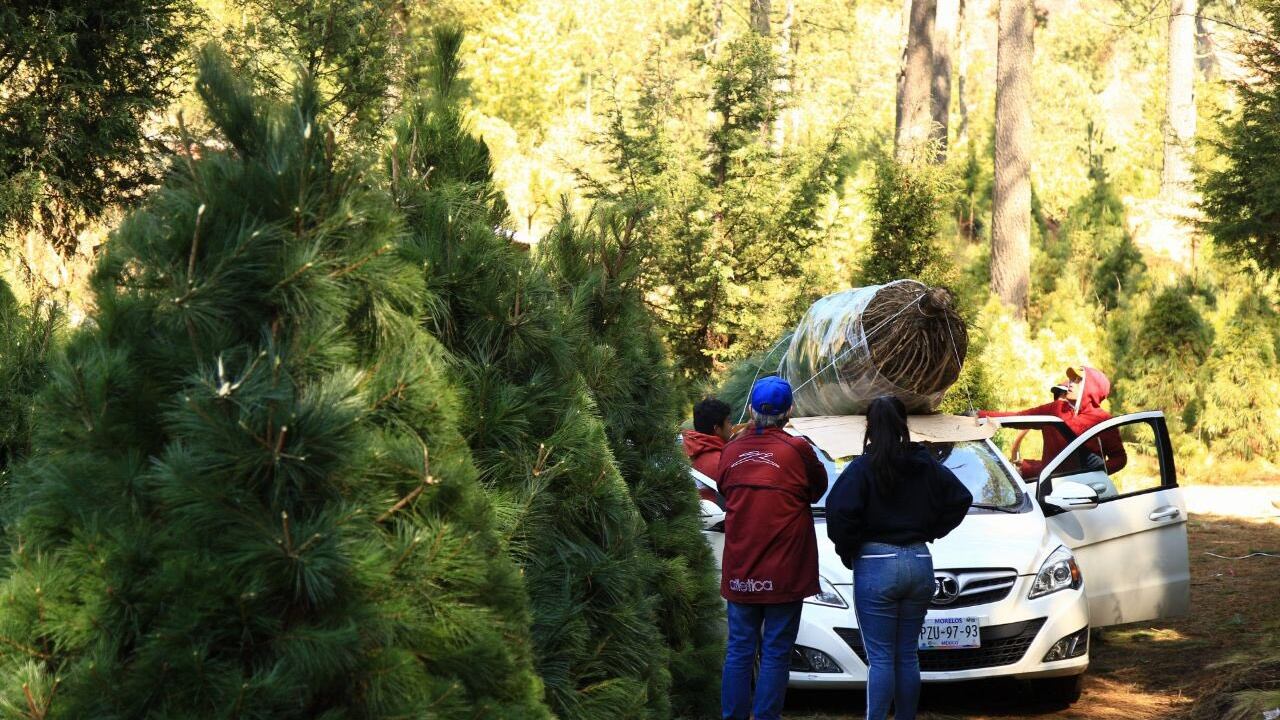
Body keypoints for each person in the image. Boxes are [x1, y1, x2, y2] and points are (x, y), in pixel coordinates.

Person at [824, 396, 973, 720]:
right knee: (907, 654)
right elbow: (961, 498)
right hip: (919, 560)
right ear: (904, 423)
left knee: (880, 658)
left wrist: (849, 550)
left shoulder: (862, 468)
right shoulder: (924, 463)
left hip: (876, 564)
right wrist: (931, 530)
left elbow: (838, 514)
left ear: (869, 426)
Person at [717, 376, 828, 720]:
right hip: (784, 570)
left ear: (751, 409)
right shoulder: (798, 450)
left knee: (739, 649)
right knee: (776, 651)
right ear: (789, 411)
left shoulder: (730, 450)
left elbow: (723, 490)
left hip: (741, 568)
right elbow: (818, 489)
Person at [980, 366, 1127, 479]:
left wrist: (1098, 470)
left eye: (1078, 380)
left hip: (1086, 493)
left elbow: (1120, 458)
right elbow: (1019, 417)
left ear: (1092, 387)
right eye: (1071, 379)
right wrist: (979, 416)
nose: (1071, 383)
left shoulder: (1103, 421)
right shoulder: (1056, 409)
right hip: (1050, 487)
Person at [683, 396, 733, 478]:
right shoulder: (721, 463)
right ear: (717, 429)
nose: (731, 426)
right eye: (728, 421)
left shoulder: (694, 451)